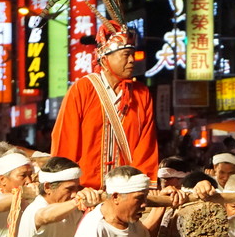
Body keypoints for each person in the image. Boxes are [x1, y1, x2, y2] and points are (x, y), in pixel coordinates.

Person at [50, 10, 158, 186]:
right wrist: (66, 185)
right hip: (85, 190)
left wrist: (140, 186)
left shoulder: (142, 94)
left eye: (133, 54)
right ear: (105, 58)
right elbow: (66, 139)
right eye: (125, 55)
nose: (132, 60)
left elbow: (147, 145)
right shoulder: (83, 89)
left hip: (125, 190)